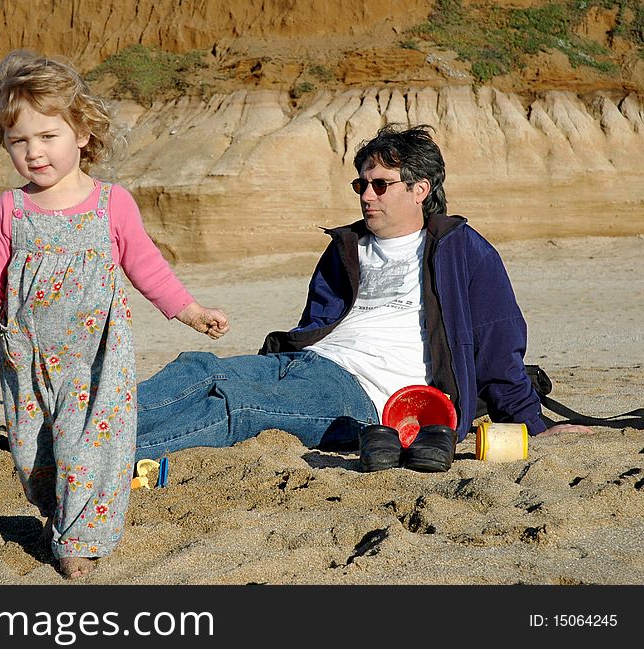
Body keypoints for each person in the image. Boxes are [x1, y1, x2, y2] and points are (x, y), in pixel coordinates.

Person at [135, 124, 589, 466]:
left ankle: (90, 457)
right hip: (304, 362)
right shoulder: (346, 249)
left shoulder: (463, 250)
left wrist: (532, 422)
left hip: (366, 394)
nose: (366, 196)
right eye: (361, 185)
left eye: (380, 184)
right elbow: (317, 323)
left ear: (419, 190)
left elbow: (497, 343)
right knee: (200, 368)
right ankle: (84, 432)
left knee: (241, 408)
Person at [0, 49, 229, 579]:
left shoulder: (112, 202)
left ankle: (79, 538)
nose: (34, 152)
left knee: (93, 446)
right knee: (34, 456)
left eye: (47, 136)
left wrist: (189, 311)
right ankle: (58, 513)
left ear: (81, 132)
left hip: (98, 354)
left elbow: (146, 264)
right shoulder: (10, 208)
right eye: (19, 141)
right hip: (27, 352)